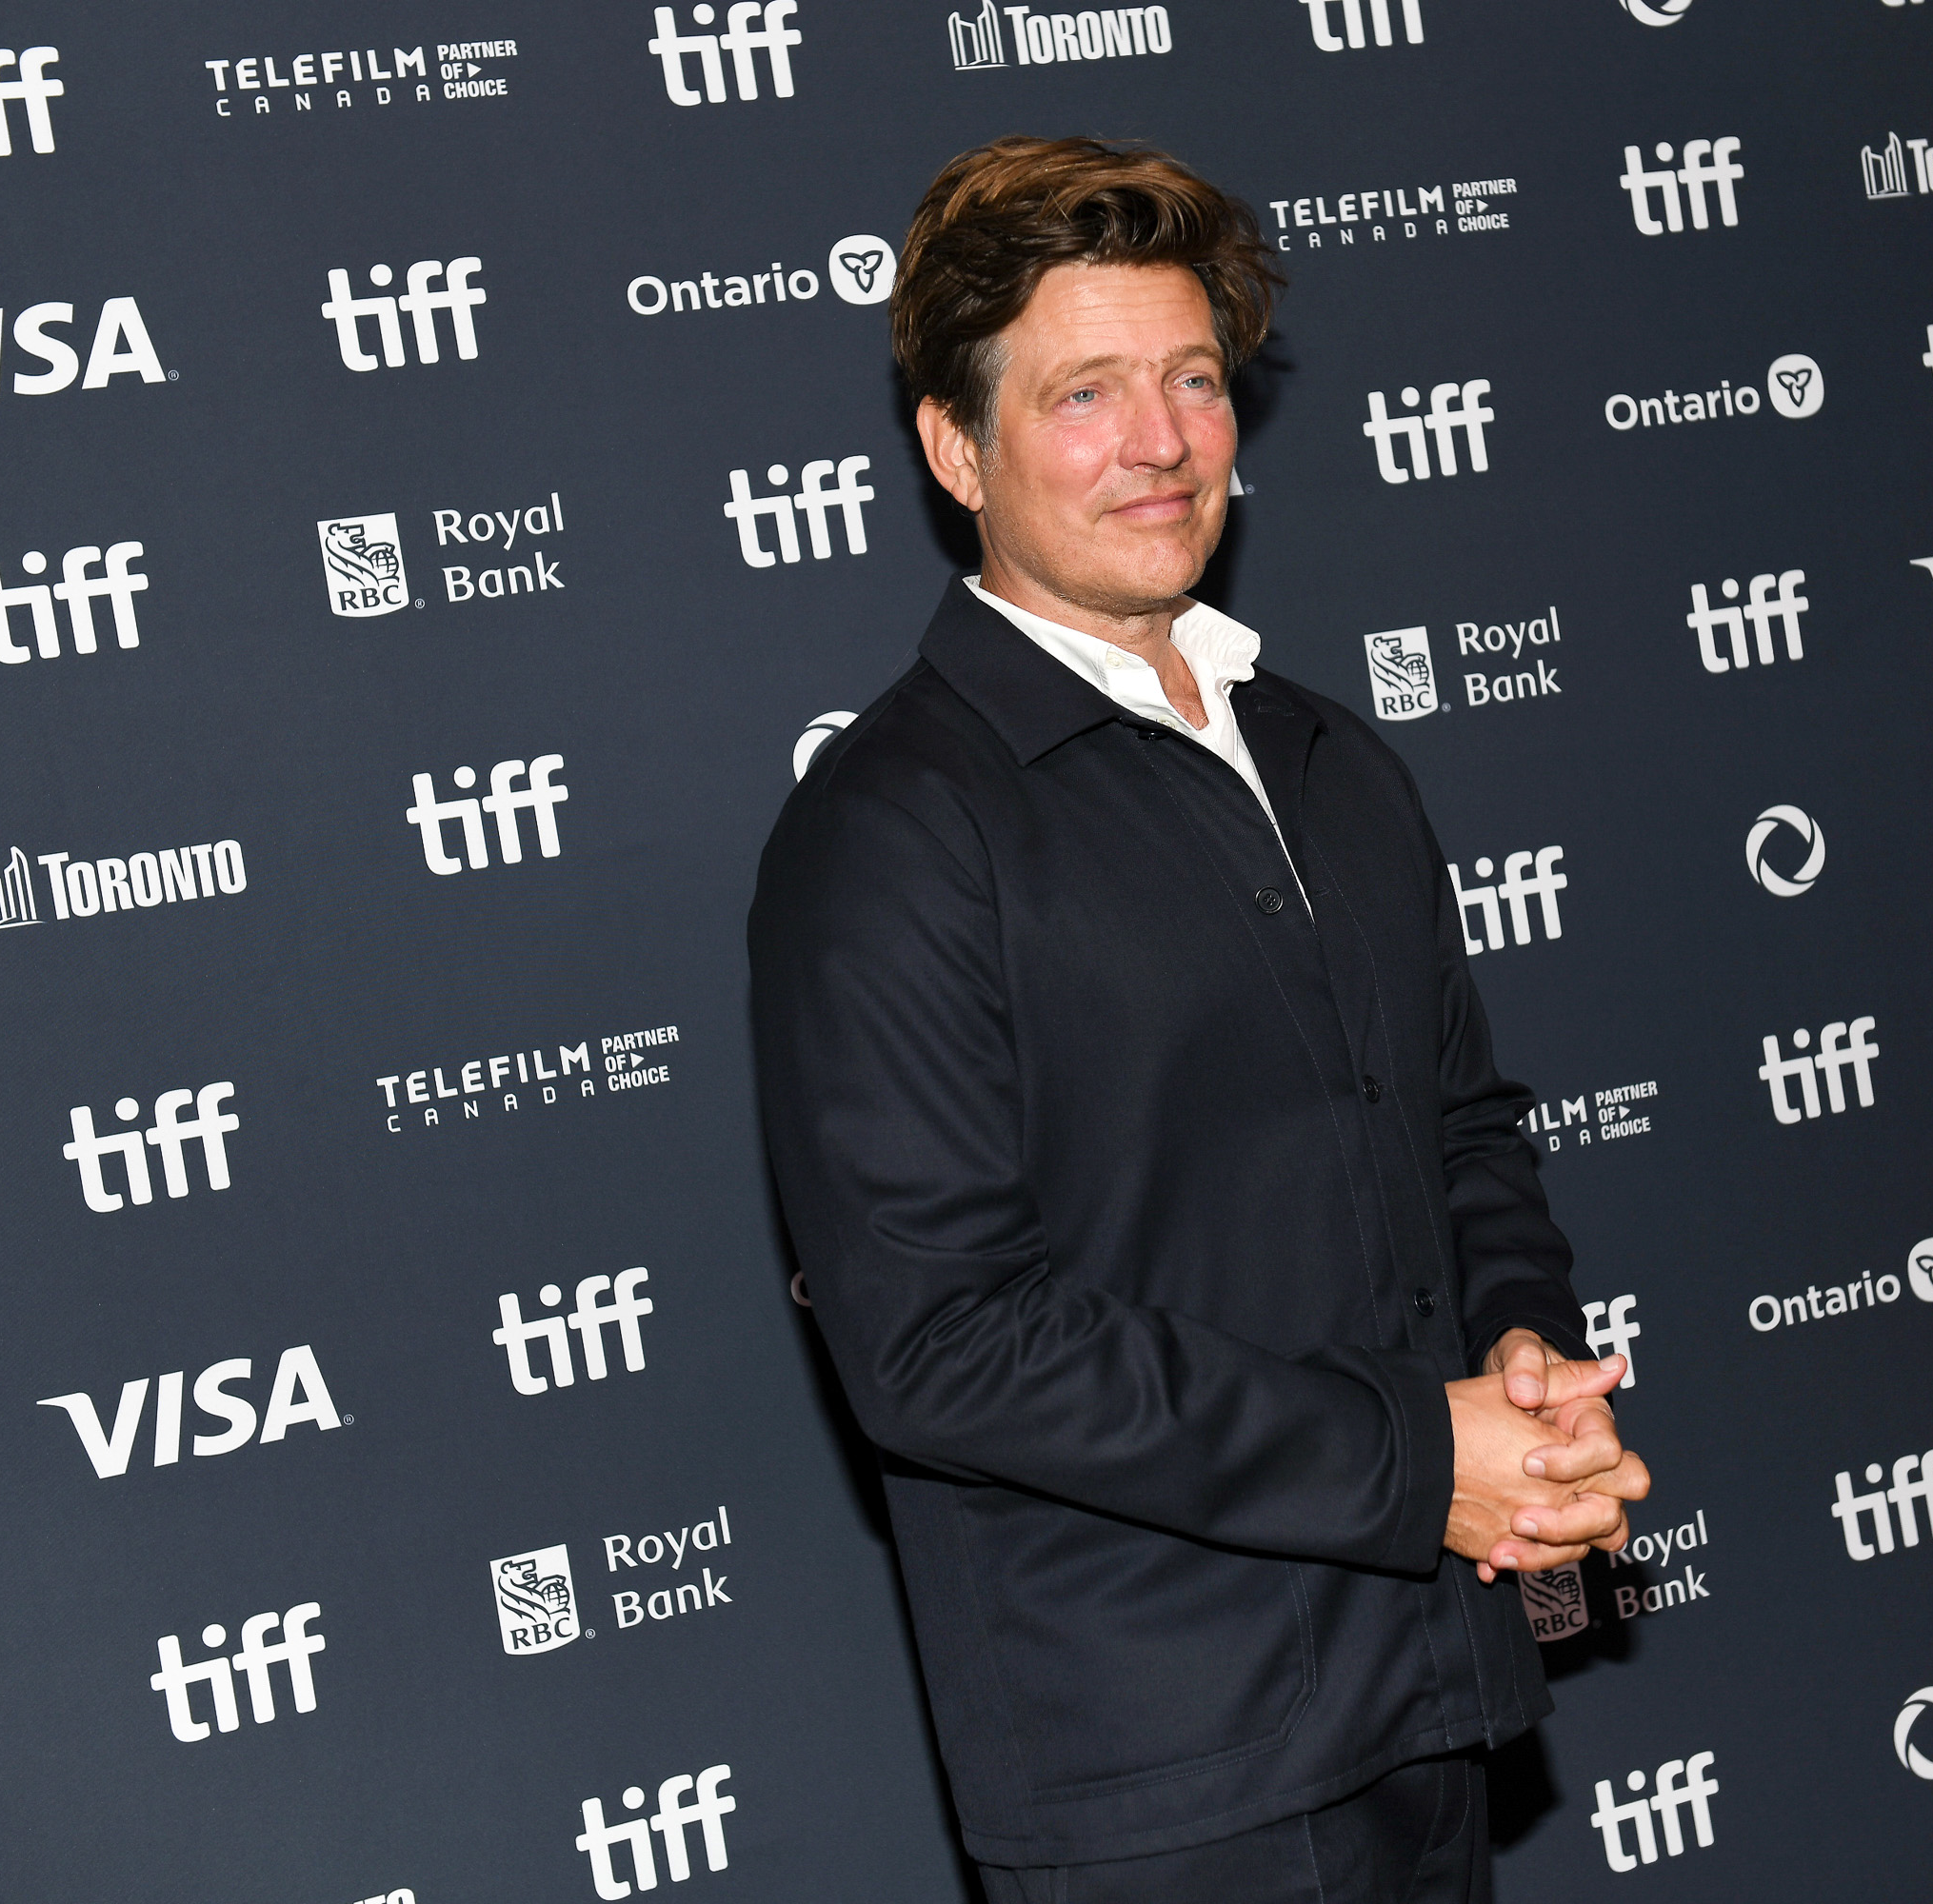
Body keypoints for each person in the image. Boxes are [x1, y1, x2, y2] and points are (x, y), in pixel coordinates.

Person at [749, 136, 1649, 1903]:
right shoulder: (891, 830)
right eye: (1083, 392)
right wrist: (1420, 1464)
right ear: (957, 448)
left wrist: (1523, 1364)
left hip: (1432, 1692)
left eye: (1190, 380)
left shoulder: (1329, 757)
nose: (1158, 440)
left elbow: (1460, 1125)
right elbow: (938, 1341)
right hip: (1176, 1779)